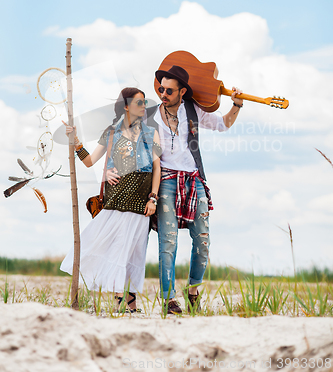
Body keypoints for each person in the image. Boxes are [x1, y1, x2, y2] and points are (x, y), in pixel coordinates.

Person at [150, 65, 243, 314]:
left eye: (169, 90)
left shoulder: (193, 110)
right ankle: (169, 300)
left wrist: (236, 105)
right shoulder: (150, 116)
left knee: (202, 241)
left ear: (182, 92)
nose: (163, 93)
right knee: (167, 243)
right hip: (166, 181)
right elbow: (126, 138)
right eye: (161, 88)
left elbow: (224, 124)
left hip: (194, 180)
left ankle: (193, 293)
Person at [60, 87, 161, 312]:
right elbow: (90, 162)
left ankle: (131, 304)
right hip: (116, 203)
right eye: (138, 102)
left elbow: (157, 168)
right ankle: (118, 302)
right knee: (116, 251)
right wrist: (75, 141)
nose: (143, 107)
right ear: (126, 106)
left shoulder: (151, 132)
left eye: (144, 103)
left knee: (135, 254)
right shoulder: (112, 132)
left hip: (140, 205)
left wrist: (153, 198)